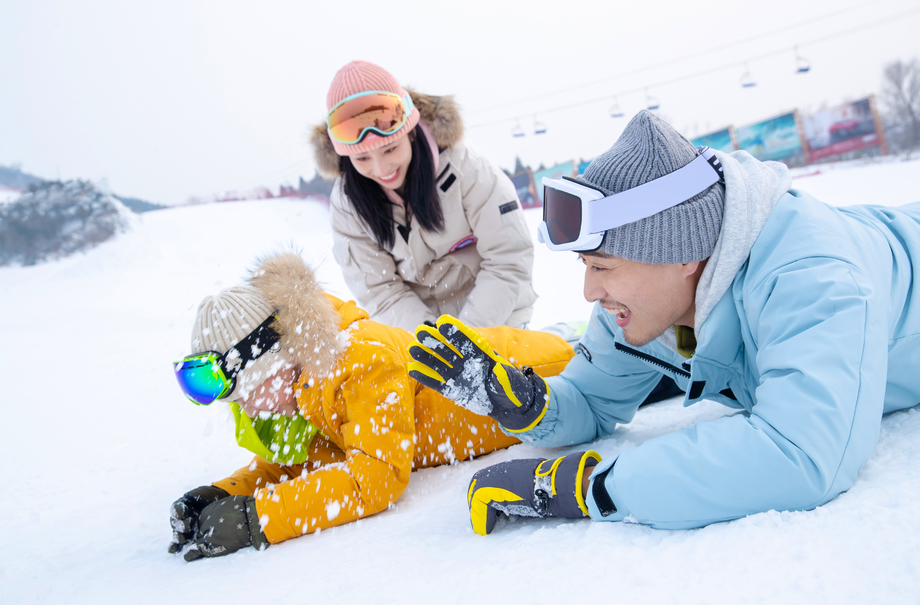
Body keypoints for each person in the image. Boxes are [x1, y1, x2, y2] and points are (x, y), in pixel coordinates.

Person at [407, 110, 920, 535]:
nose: (589, 293)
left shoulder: (815, 277)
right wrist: (531, 404)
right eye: (585, 266)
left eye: (602, 267)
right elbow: (592, 398)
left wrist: (590, 487)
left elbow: (803, 454)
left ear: (683, 253)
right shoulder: (650, 304)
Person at [168, 252, 574, 560]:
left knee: (590, 356)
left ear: (276, 362)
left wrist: (257, 518)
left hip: (545, 372)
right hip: (525, 367)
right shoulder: (299, 390)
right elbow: (296, 463)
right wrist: (222, 494)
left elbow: (376, 478)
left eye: (247, 393)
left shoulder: (361, 359)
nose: (247, 408)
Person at [310, 60, 537, 331]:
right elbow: (381, 291)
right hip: (419, 334)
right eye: (362, 158)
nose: (381, 169)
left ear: (410, 133)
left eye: (390, 149)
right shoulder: (348, 207)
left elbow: (508, 258)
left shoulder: (467, 169)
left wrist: (467, 338)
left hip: (495, 320)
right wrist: (432, 343)